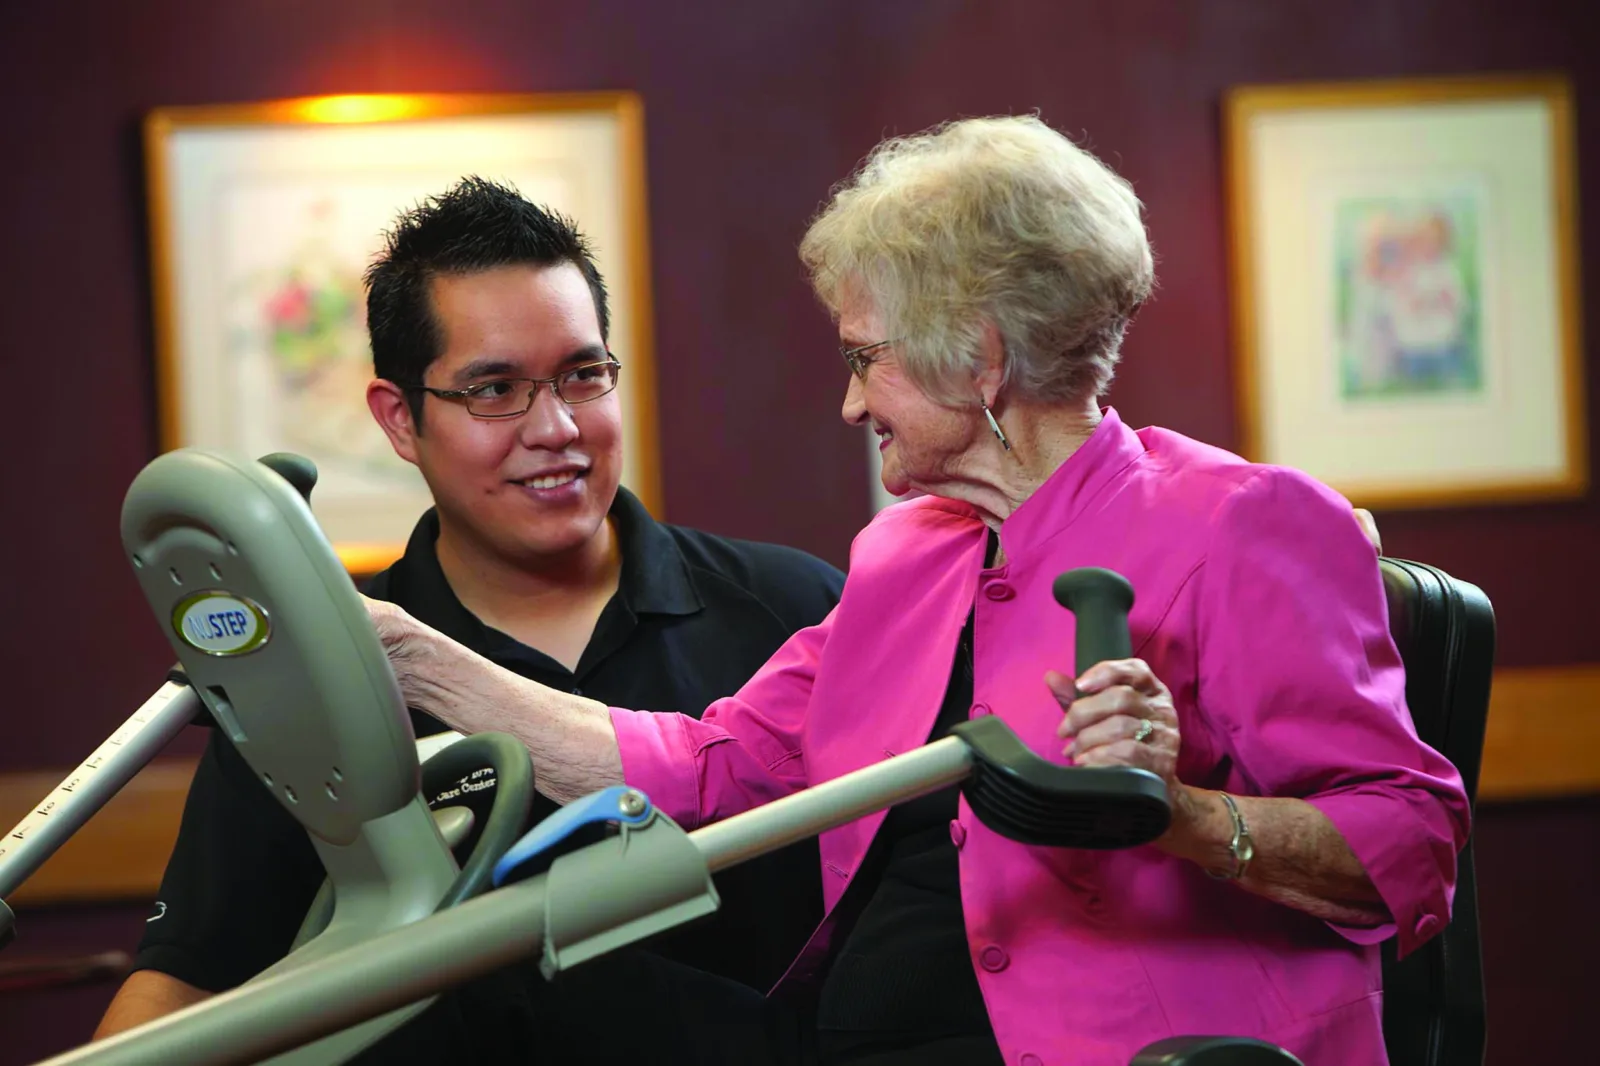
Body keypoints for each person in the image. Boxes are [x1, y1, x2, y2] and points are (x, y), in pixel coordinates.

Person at [362, 116, 1467, 1066]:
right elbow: (706, 767)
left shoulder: (1237, 524)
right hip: (851, 1034)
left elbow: (1406, 843)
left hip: (1107, 1045)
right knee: (494, 974)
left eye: (864, 358)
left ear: (976, 360)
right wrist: (404, 651)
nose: (851, 405)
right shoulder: (909, 553)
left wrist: (1171, 814)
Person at [96, 179, 845, 1052]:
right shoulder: (328, 663)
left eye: (583, 373)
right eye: (494, 389)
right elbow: (197, 972)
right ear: (399, 420)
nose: (558, 426)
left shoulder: (797, 609)